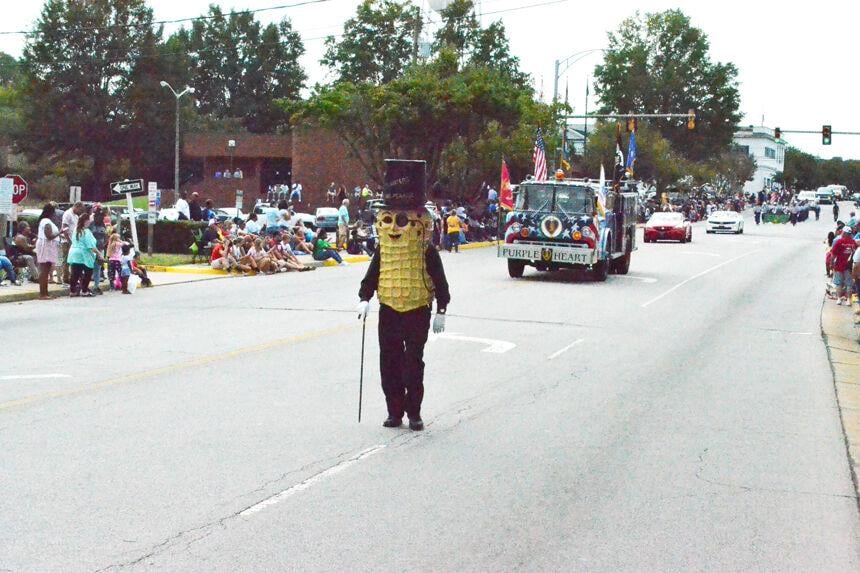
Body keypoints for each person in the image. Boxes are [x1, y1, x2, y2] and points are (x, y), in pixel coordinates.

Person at [356, 162, 450, 431]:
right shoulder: (383, 249)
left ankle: (414, 413)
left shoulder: (427, 251)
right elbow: (373, 273)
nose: (395, 227)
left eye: (402, 220)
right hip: (389, 310)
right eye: (388, 220)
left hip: (418, 308)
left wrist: (441, 311)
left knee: (413, 363)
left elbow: (440, 281)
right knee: (389, 362)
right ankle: (394, 411)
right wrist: (365, 298)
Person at [67, 213, 101, 297]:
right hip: (84, 254)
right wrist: (99, 254)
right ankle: (84, 290)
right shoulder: (86, 232)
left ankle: (72, 291)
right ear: (86, 221)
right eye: (89, 220)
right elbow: (91, 246)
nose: (90, 222)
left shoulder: (76, 229)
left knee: (75, 273)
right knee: (88, 272)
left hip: (74, 253)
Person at [35, 203, 61, 299]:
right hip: (46, 246)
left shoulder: (47, 221)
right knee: (44, 270)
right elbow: (49, 236)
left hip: (48, 246)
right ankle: (43, 294)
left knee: (47, 269)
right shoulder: (46, 221)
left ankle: (45, 292)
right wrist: (60, 232)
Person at [830, 226, 856, 305]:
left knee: (839, 283)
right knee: (849, 283)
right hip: (849, 266)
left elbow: (833, 255)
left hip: (839, 266)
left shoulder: (839, 242)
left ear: (844, 233)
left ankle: (839, 299)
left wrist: (831, 264)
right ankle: (848, 300)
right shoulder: (853, 242)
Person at [60, 201, 84, 283]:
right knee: (66, 259)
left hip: (74, 241)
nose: (80, 212)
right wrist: (69, 240)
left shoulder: (75, 216)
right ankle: (65, 278)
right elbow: (64, 228)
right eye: (80, 209)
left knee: (73, 260)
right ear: (76, 206)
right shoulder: (68, 214)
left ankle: (71, 276)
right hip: (67, 241)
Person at [89, 205, 107, 294]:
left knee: (98, 268)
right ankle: (85, 285)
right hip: (91, 250)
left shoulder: (103, 225)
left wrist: (103, 245)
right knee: (89, 267)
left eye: (102, 216)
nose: (100, 218)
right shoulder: (91, 225)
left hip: (100, 249)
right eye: (98, 216)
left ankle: (96, 286)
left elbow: (106, 236)